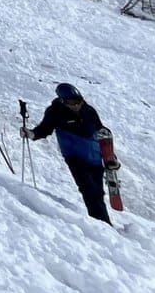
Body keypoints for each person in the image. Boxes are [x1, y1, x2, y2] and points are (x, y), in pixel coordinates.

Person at [24, 83, 113, 224]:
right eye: (72, 102)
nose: (77, 105)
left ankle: (102, 224)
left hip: (94, 157)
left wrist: (108, 156)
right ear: (62, 100)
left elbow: (101, 132)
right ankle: (103, 225)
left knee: (98, 193)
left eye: (79, 101)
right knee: (88, 191)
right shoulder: (55, 112)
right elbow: (44, 129)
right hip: (75, 157)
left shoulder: (89, 110)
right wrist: (32, 134)